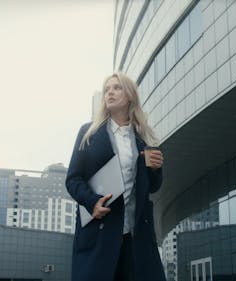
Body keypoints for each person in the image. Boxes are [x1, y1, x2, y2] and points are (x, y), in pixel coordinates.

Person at [65, 72, 166, 281]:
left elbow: (153, 187)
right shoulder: (89, 133)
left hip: (136, 235)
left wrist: (156, 168)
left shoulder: (143, 138)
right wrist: (92, 202)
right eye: (107, 89)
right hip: (99, 231)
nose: (110, 92)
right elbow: (73, 179)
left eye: (117, 88)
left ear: (129, 96)